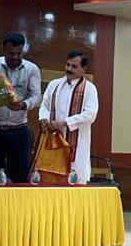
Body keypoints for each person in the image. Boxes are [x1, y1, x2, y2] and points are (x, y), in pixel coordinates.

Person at [0, 32, 42, 183]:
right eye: (10, 53)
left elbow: (36, 96)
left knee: (21, 178)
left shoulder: (32, 69)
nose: (14, 57)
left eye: (18, 53)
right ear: (3, 48)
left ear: (23, 50)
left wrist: (24, 104)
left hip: (19, 129)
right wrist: (1, 99)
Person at [38, 51, 99, 184]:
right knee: (51, 182)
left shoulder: (89, 89)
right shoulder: (54, 85)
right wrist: (44, 119)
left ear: (83, 69)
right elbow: (45, 105)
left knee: (75, 181)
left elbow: (90, 115)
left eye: (74, 66)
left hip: (77, 144)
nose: (69, 69)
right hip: (54, 140)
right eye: (68, 65)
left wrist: (63, 122)